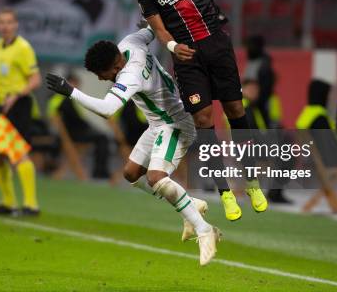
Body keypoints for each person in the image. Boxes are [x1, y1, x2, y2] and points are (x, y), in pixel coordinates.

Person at [116, 0, 310, 218]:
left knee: (235, 110)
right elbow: (160, 30)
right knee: (204, 119)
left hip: (217, 47)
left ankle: (252, 183)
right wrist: (171, 49)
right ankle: (225, 192)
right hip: (186, 58)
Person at [46, 26, 220, 266]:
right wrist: (151, 18)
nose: (100, 78)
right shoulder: (131, 41)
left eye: (101, 73)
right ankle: (190, 206)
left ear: (116, 67)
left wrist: (71, 91)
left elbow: (107, 110)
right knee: (130, 173)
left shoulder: (130, 74)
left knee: (156, 177)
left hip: (175, 123)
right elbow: (154, 29)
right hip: (157, 124)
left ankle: (205, 230)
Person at [0, 7, 42, 216]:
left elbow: (34, 80)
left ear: (16, 24)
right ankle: (8, 203)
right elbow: (4, 77)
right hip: (4, 106)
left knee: (18, 155)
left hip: (19, 105)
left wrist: (16, 95)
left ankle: (31, 205)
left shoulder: (23, 48)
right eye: (1, 22)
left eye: (9, 22)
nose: (5, 26)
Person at [47, 73, 111, 179]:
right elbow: (54, 118)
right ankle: (100, 172)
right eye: (74, 84)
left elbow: (81, 118)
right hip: (72, 134)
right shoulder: (59, 99)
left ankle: (96, 171)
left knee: (101, 136)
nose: (76, 87)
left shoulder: (73, 99)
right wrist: (65, 138)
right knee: (102, 139)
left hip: (79, 131)